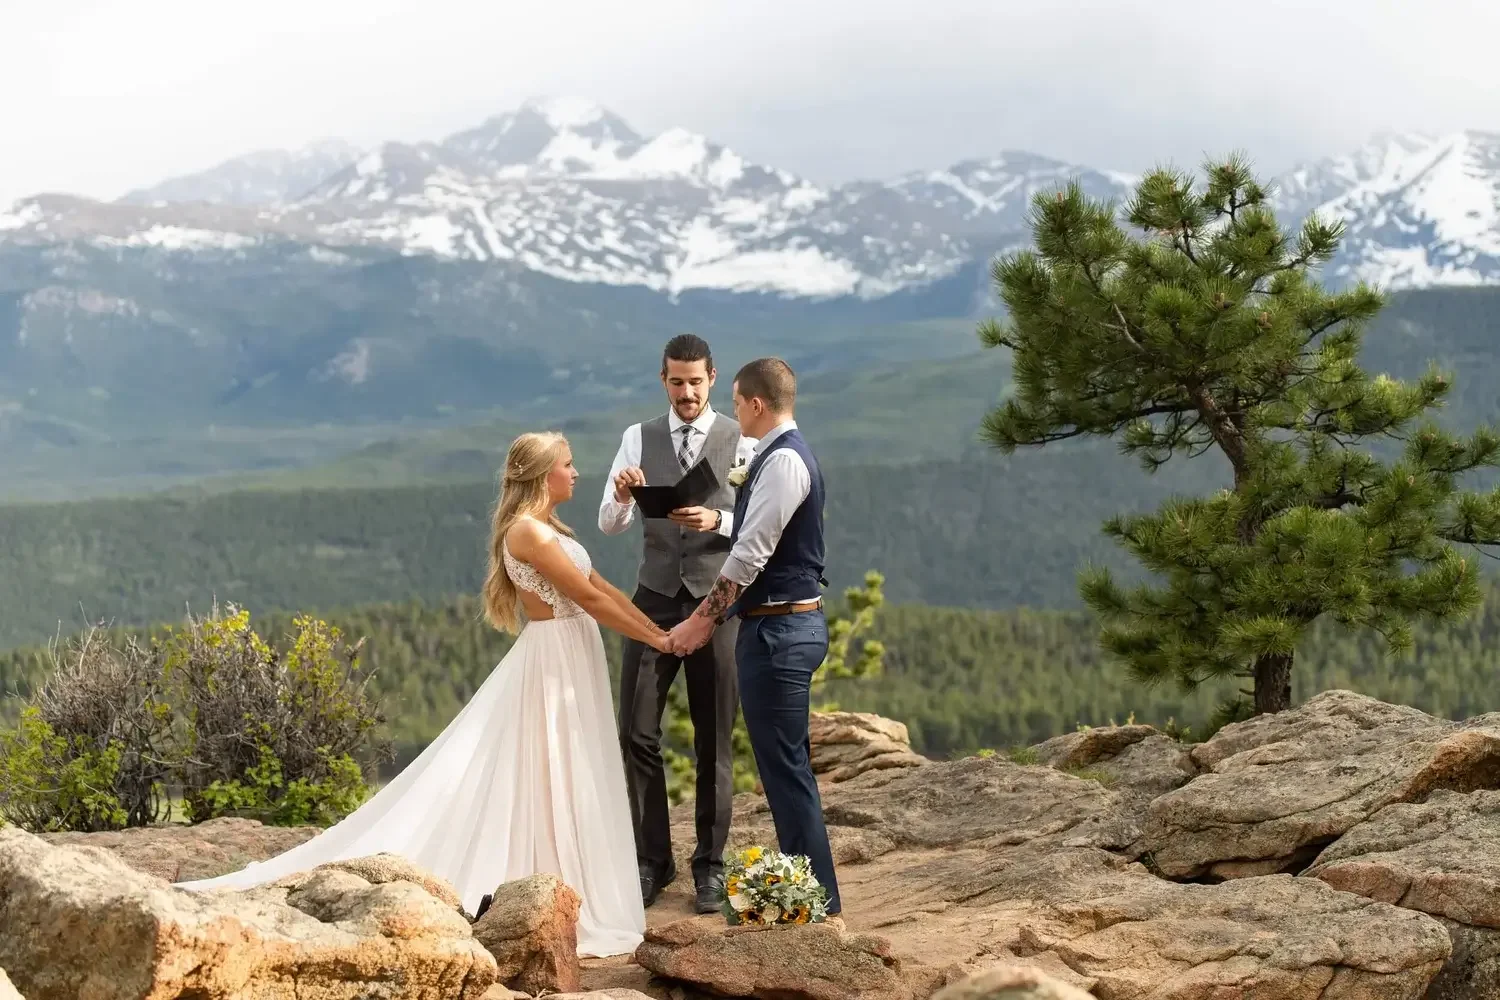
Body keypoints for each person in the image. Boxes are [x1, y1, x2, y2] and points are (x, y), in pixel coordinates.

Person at [176, 431, 663, 958]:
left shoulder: (549, 528)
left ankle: (570, 874)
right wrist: (661, 639)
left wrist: (659, 634)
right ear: (545, 476)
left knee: (572, 763)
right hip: (554, 656)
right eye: (567, 466)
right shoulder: (528, 534)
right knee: (552, 764)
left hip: (572, 652)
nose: (575, 473)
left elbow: (603, 587)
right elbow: (588, 596)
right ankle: (551, 874)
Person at [665, 357, 841, 917]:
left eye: (737, 401)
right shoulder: (777, 456)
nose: (733, 410)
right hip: (778, 627)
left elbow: (749, 555)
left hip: (781, 632)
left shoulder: (784, 462)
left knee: (787, 771)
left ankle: (816, 904)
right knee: (783, 766)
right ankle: (806, 896)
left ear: (757, 404)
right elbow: (751, 535)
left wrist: (700, 621)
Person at [599, 333, 757, 913]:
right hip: (654, 597)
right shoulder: (635, 439)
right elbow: (610, 523)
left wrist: (716, 517)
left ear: (712, 378)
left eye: (695, 381)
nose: (686, 392)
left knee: (714, 738)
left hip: (716, 602)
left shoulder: (742, 438)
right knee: (635, 731)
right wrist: (619, 495)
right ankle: (652, 861)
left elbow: (761, 520)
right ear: (662, 380)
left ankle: (710, 869)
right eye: (676, 382)